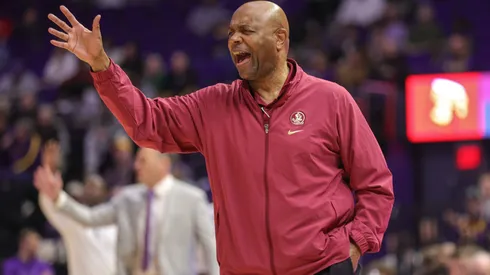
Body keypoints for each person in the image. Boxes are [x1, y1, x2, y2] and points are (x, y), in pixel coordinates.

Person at [45, 1, 394, 274]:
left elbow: (375, 184)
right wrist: (102, 66)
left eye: (246, 30)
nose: (234, 39)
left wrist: (355, 244)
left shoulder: (331, 100)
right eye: (230, 33)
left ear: (280, 39)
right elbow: (147, 122)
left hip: (321, 268)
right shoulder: (212, 105)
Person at [34, 147, 219, 275]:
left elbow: (210, 246)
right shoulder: (127, 198)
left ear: (164, 164)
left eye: (142, 160)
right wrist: (58, 197)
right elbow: (89, 218)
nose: (136, 166)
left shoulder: (191, 198)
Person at [38, 141, 117, 275]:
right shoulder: (75, 220)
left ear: (105, 192)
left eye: (95, 186)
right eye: (88, 186)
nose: (90, 189)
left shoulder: (117, 222)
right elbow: (52, 205)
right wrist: (50, 170)